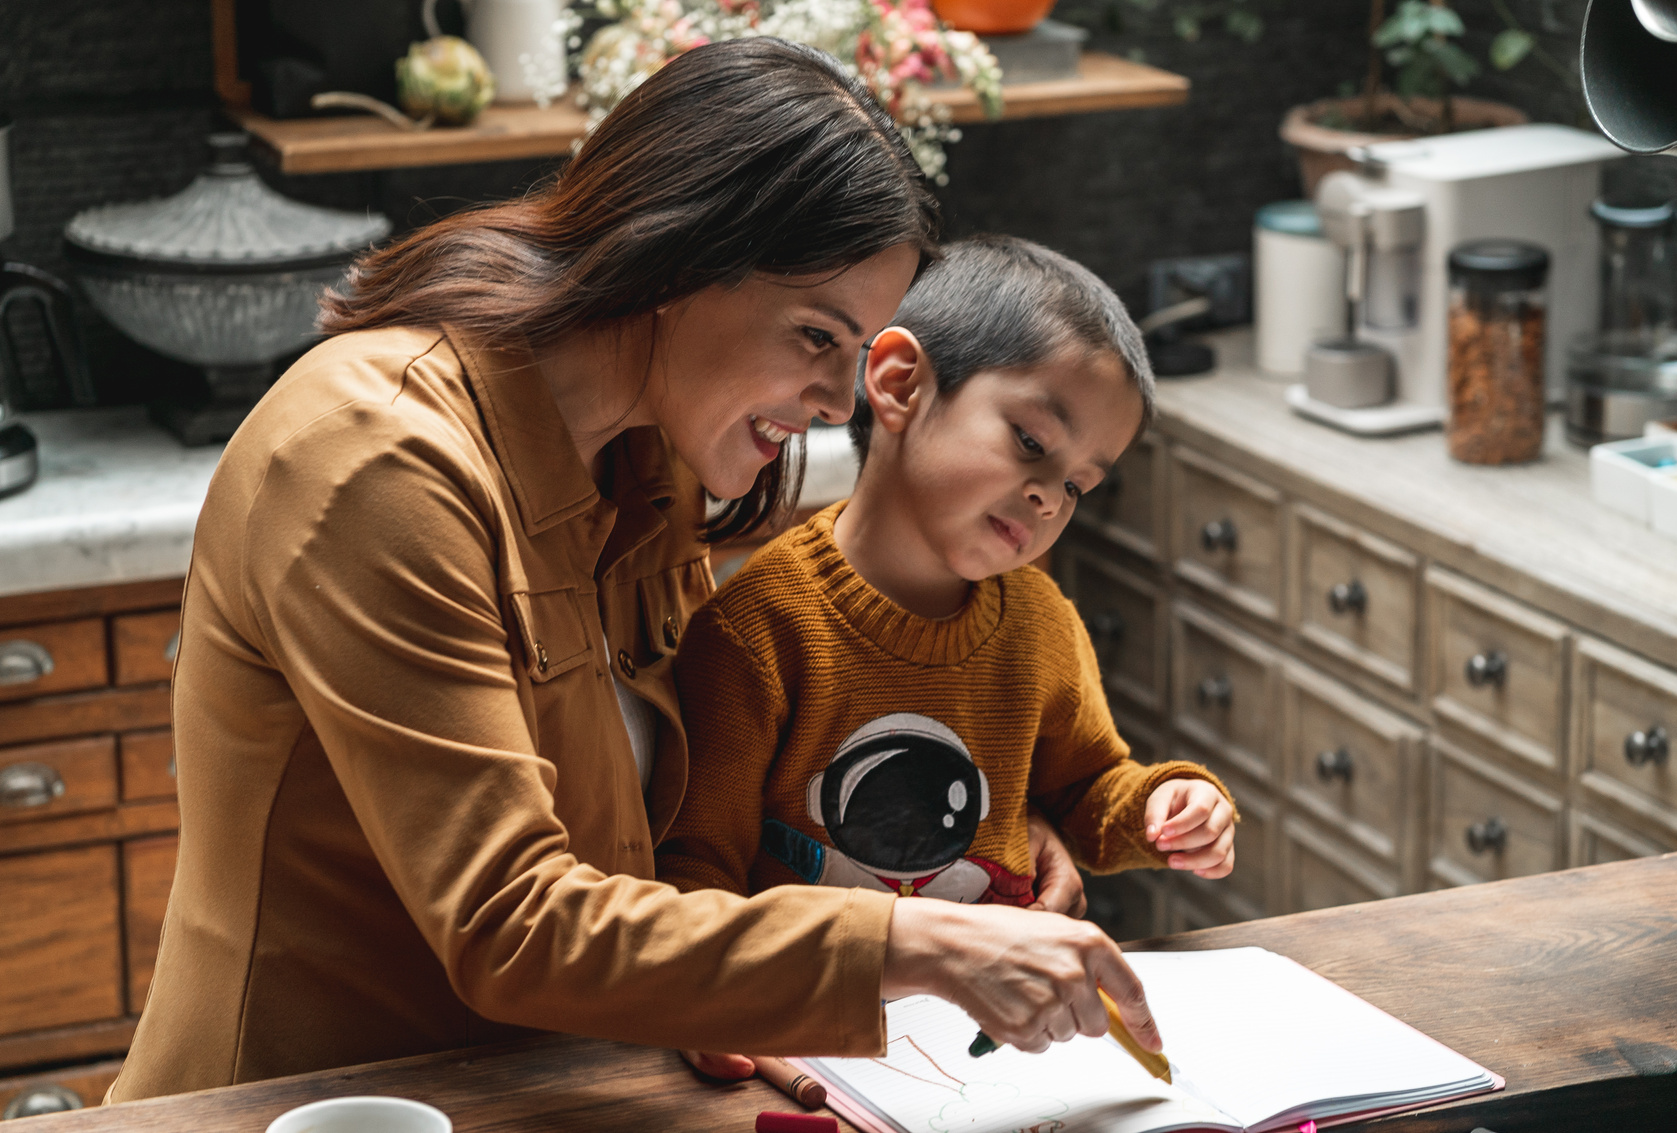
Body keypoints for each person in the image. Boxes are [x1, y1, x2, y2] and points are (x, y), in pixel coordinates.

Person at [109, 40, 1165, 1104]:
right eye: (814, 335)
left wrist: (984, 824)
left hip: (555, 1084)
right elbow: (513, 922)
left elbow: (685, 808)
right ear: (672, 258)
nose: (839, 400)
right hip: (319, 1107)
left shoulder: (645, 455)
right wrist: (921, 937)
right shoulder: (372, 462)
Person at [656, 237, 1238, 1070]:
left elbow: (1085, 788)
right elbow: (693, 872)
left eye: (1077, 485)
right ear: (899, 385)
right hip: (807, 1045)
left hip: (990, 1048)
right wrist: (716, 1012)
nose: (1048, 496)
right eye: (1033, 442)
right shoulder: (757, 630)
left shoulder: (1041, 621)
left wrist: (1167, 804)